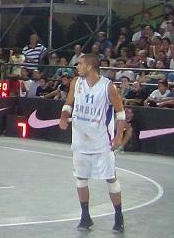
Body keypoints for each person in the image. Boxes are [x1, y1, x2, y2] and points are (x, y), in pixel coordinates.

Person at [58, 54, 126, 232]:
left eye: (80, 64)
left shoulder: (108, 87)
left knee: (110, 178)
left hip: (101, 142)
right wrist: (64, 116)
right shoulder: (76, 83)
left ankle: (118, 215)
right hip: (80, 140)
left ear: (89, 66)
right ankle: (85, 216)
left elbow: (121, 114)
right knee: (81, 179)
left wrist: (119, 136)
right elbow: (68, 103)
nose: (77, 67)